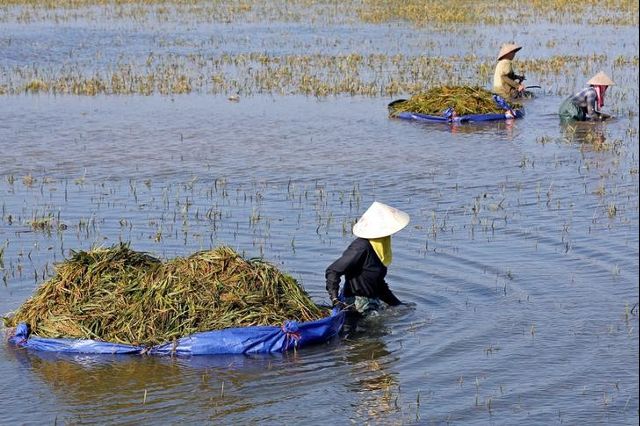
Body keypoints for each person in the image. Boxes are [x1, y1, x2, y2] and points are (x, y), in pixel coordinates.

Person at [325, 201, 410, 316]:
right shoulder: (360, 247)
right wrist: (335, 300)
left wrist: (398, 305)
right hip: (357, 305)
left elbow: (378, 284)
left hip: (372, 301)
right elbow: (333, 271)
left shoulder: (380, 248)